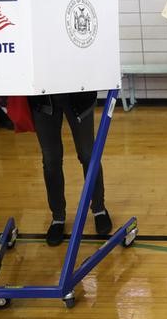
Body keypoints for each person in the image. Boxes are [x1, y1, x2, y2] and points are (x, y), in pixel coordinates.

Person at [29, 92, 112, 246]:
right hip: (42, 98)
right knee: (50, 160)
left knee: (88, 156)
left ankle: (99, 209)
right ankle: (58, 217)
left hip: (79, 95)